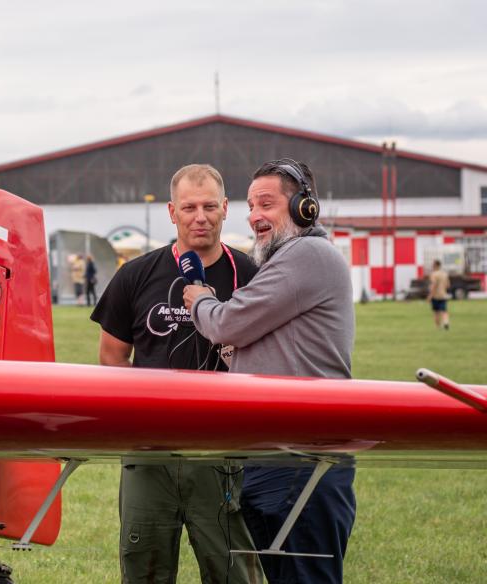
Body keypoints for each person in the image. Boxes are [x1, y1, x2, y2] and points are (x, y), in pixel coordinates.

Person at [183, 159, 356, 584]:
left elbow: (226, 323)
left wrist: (200, 299)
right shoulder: (292, 259)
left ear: (304, 208)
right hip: (277, 457)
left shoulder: (306, 253)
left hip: (298, 458)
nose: (255, 216)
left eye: (267, 204)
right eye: (250, 206)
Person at [91, 164, 262, 584]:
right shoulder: (136, 275)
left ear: (225, 209)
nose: (199, 217)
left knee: (233, 571)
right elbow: (112, 356)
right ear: (172, 212)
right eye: (189, 207)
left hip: (221, 453)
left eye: (208, 206)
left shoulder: (252, 277)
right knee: (144, 568)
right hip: (150, 454)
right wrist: (148, 414)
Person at [429, 259, 451, 330]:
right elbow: (448, 285)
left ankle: (438, 327)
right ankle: (446, 322)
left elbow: (434, 285)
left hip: (435, 295)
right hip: (443, 295)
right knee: (444, 311)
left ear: (435, 265)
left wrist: (430, 295)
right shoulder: (445, 274)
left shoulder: (434, 274)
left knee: (436, 312)